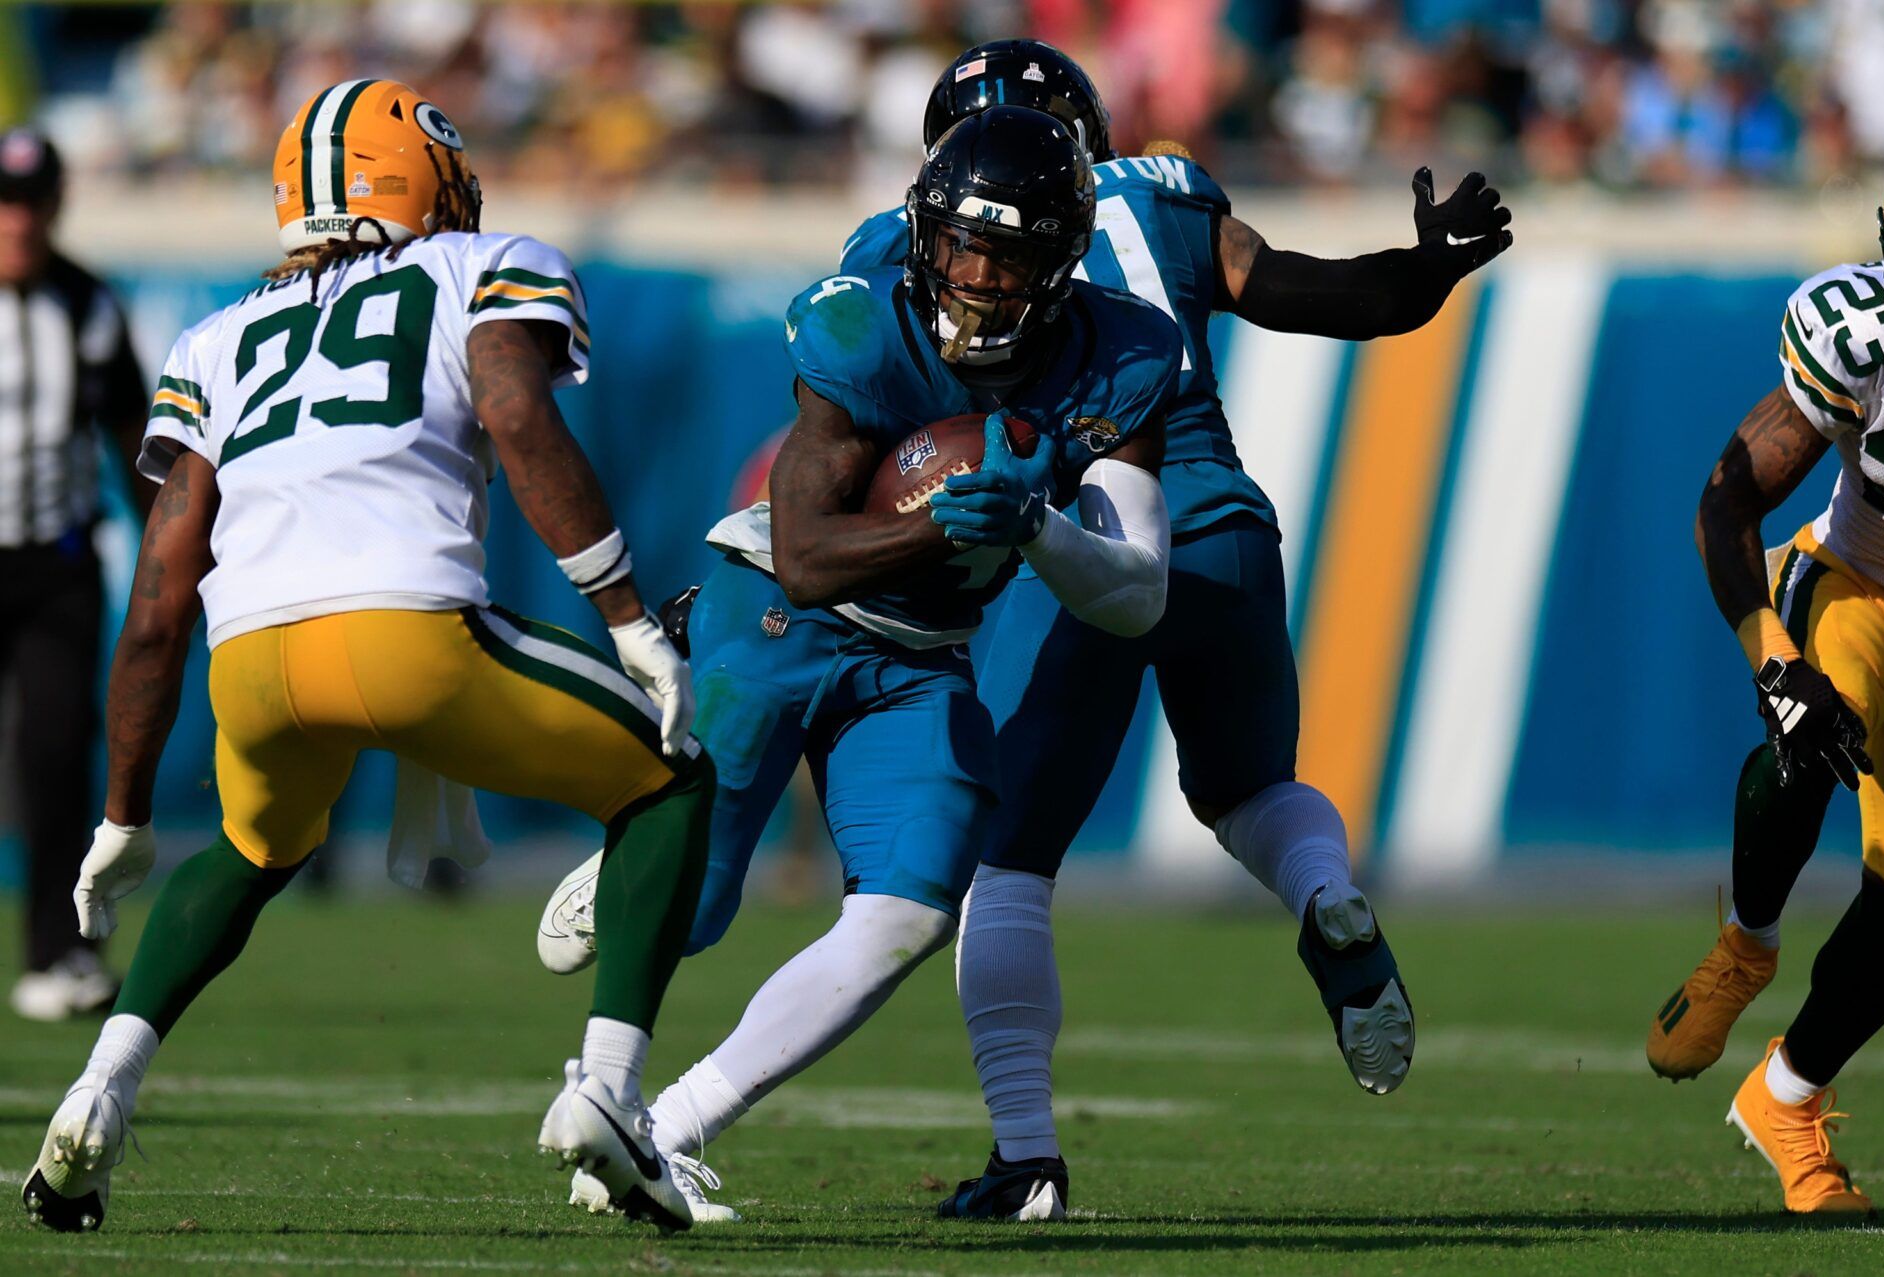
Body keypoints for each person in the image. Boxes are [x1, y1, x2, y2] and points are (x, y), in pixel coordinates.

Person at [20, 80, 712, 1235]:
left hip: (252, 666)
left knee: (248, 845)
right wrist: (629, 614)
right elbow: (517, 409)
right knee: (673, 776)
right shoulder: (480, 264)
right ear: (423, 176)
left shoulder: (214, 335)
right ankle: (610, 1092)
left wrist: (124, 809)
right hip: (410, 636)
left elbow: (156, 599)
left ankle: (100, 1088)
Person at [836, 40, 1511, 1217]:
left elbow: (864, 418)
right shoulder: (1162, 195)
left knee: (1008, 862)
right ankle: (1322, 898)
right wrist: (1424, 268)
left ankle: (1028, 1156)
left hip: (1076, 527)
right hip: (1222, 518)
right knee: (1252, 791)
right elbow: (1320, 296)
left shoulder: (905, 250)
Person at [553, 104, 1184, 1224]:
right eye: (958, 244)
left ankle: (663, 1124)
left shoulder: (1121, 352)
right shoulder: (866, 312)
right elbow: (804, 558)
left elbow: (1135, 595)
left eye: (1007, 252)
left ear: (1060, 261)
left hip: (924, 651)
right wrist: (954, 524)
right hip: (779, 616)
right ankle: (637, 873)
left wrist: (1041, 531)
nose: (975, 275)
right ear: (923, 234)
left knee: (908, 908)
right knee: (694, 911)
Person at [1642, 139, 1884, 1215]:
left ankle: (1787, 1094)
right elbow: (1727, 500)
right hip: (1858, 576)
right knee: (1813, 728)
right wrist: (1771, 654)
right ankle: (1746, 942)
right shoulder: (1863, 339)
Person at [0, 127, 153, 1022]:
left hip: (55, 564)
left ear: (56, 207)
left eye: (31, 202)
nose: (16, 220)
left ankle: (59, 954)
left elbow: (135, 440)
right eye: (5, 202)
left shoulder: (87, 303)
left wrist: (178, 561)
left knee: (57, 756)